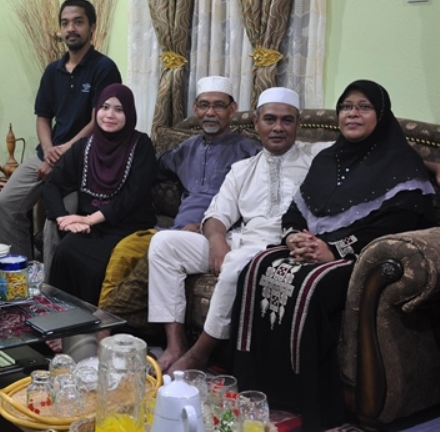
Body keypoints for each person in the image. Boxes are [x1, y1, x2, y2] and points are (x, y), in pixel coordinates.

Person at [232, 80, 437, 430]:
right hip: (315, 246)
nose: (352, 114)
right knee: (257, 268)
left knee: (313, 286)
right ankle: (262, 390)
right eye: (346, 107)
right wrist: (294, 236)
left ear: (381, 115)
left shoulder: (401, 163)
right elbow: (296, 210)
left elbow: (399, 221)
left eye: (363, 107)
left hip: (359, 256)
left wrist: (336, 249)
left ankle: (311, 401)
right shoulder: (327, 158)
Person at [147, 87, 332, 373]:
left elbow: (368, 151)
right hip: (242, 238)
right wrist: (217, 240)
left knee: (235, 263)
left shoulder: (318, 156)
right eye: (270, 119)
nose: (278, 128)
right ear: (256, 122)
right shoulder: (243, 168)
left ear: (298, 124)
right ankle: (175, 344)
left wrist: (428, 164)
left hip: (280, 245)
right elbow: (216, 215)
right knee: (164, 243)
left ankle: (199, 353)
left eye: (287, 120)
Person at [97, 76, 261, 336]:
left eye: (219, 105)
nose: (210, 112)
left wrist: (209, 227)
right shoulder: (187, 147)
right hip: (173, 230)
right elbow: (151, 168)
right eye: (204, 105)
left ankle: (103, 327)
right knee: (125, 249)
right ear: (195, 108)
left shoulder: (249, 151)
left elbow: (258, 204)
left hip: (215, 234)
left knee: (153, 256)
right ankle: (110, 326)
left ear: (232, 110)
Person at [0, 0, 122, 264]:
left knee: (56, 220)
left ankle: (50, 284)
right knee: (4, 206)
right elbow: (43, 117)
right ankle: (20, 272)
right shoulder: (53, 70)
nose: (71, 28)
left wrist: (63, 153)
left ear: (92, 27)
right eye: (65, 23)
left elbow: (98, 121)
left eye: (78, 22)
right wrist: (49, 150)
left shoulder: (104, 68)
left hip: (83, 160)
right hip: (49, 153)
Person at [44, 84, 157, 306]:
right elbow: (53, 184)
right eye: (104, 107)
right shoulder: (84, 146)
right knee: (65, 252)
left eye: (119, 109)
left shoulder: (141, 145)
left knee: (95, 267)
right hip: (91, 228)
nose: (110, 115)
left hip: (127, 226)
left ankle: (95, 323)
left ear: (129, 113)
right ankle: (61, 318)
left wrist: (88, 219)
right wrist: (63, 218)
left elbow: (132, 197)